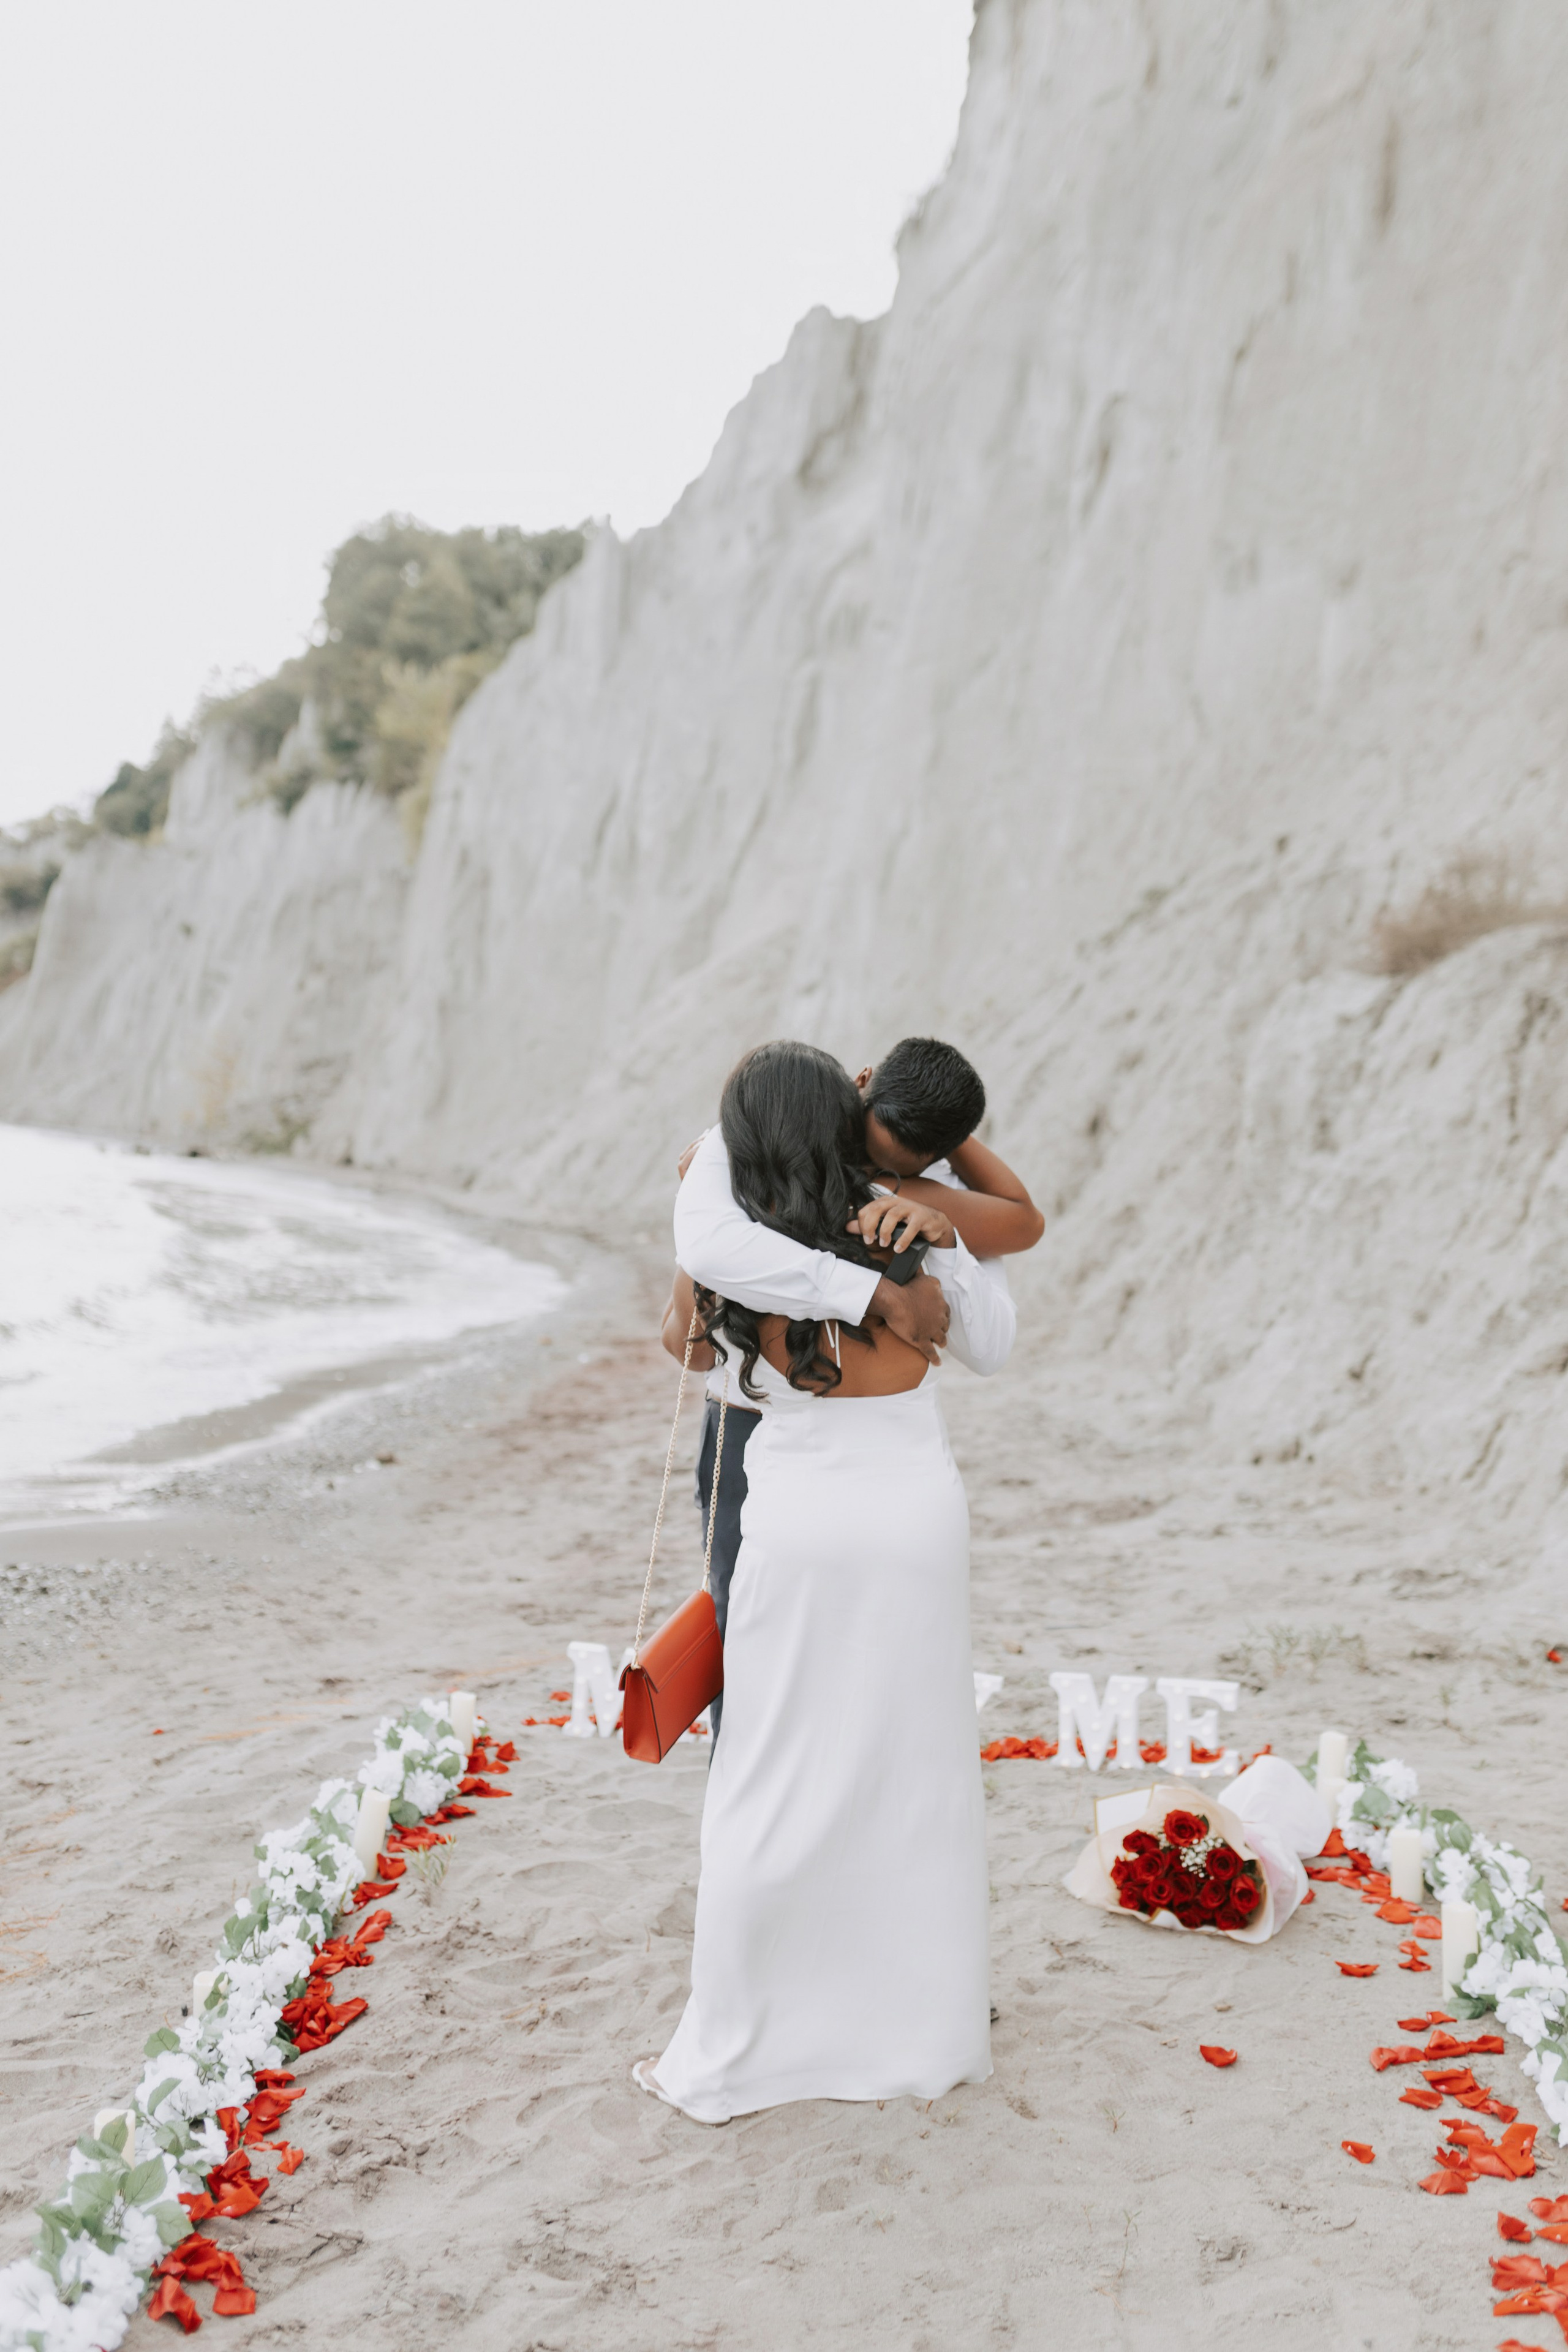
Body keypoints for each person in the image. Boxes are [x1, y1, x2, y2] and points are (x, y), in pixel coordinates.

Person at [634, 1039, 997, 2124]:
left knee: (768, 1771)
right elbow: (984, 1337)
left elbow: (688, 1354)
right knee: (915, 1765)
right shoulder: (898, 1245)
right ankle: (920, 2029)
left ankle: (749, 2032)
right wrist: (944, 1247)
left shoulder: (739, 1264)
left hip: (797, 1524)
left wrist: (699, 1247)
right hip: (913, 1517)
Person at [663, 1036, 1043, 1736]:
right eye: (868, 1149)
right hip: (779, 1424)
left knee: (755, 1620)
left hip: (763, 1410)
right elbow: (1019, 1219)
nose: (867, 1171)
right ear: (854, 1090)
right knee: (750, 1618)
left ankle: (757, 1770)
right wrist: (877, 1290)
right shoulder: (765, 1162)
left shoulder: (771, 1182)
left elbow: (1022, 1225)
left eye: (897, 1166)